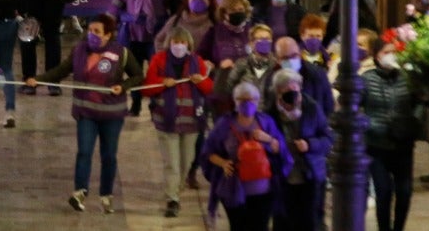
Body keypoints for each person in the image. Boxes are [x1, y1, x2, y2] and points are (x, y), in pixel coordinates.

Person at [27, 12, 144, 214]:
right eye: (90, 30)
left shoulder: (121, 53)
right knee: (84, 152)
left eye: (97, 32)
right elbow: (61, 71)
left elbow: (138, 76)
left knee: (108, 156)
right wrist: (38, 79)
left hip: (111, 115)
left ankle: (106, 195)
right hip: (86, 113)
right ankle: (80, 191)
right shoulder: (79, 51)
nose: (92, 34)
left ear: (108, 35)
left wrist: (123, 87)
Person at [141, 26, 212, 217]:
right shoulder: (159, 60)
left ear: (188, 44)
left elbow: (208, 89)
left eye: (182, 42)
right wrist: (161, 82)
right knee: (172, 162)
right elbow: (147, 88)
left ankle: (177, 190)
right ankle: (172, 199)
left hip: (192, 121)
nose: (179, 46)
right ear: (169, 43)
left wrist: (200, 81)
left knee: (186, 161)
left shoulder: (197, 62)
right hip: (167, 120)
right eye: (175, 42)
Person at [201, 80, 292, 231]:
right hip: (234, 189)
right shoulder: (224, 124)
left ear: (257, 101)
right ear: (235, 102)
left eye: (251, 100)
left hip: (263, 189)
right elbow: (208, 152)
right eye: (242, 100)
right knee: (238, 227)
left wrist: (267, 138)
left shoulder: (266, 122)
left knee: (260, 226)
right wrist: (223, 163)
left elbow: (280, 149)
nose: (247, 103)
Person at [109, 0, 172, 115]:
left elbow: (171, 2)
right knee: (134, 73)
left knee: (157, 71)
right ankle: (135, 104)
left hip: (155, 33)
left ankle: (155, 102)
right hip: (133, 33)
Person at [362, 35, 418, 231]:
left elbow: (418, 103)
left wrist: (411, 123)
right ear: (376, 56)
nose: (391, 56)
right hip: (377, 145)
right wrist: (369, 125)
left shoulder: (407, 77)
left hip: (403, 143)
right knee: (383, 191)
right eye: (386, 52)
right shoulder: (367, 79)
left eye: (394, 52)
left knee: (404, 191)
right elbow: (356, 107)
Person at [269, 68, 332, 231]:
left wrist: (310, 145)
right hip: (282, 179)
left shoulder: (311, 107)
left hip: (309, 176)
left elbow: (328, 138)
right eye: (287, 91)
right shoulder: (270, 112)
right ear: (277, 92)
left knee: (309, 222)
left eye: (296, 90)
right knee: (283, 222)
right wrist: (270, 146)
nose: (294, 96)